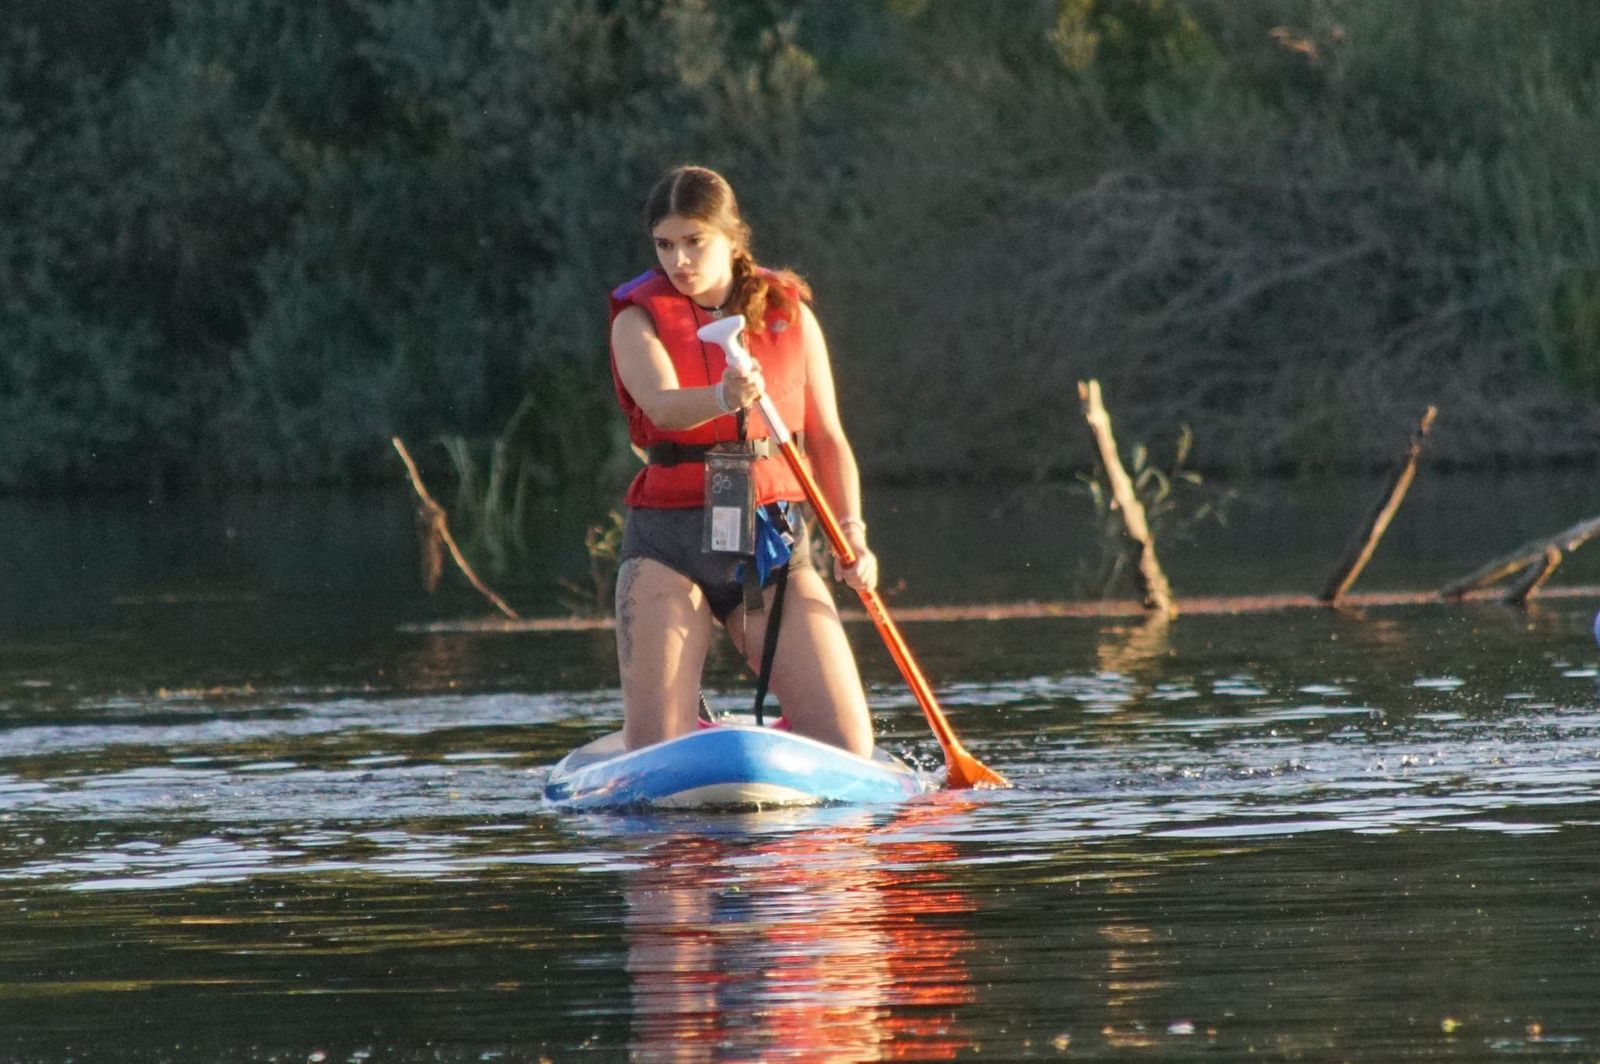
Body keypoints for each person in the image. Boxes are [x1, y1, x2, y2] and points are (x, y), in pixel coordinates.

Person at [608, 165, 878, 756]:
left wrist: (851, 533)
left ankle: (759, 741)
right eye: (665, 245)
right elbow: (660, 406)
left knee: (848, 744)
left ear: (734, 238)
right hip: (668, 546)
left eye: (694, 241)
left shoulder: (791, 316)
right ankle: (656, 738)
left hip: (769, 543)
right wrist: (723, 397)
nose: (679, 260)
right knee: (656, 751)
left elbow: (827, 438)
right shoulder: (637, 320)